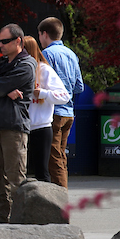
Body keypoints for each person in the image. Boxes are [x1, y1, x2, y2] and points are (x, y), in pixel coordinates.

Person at [0, 24, 36, 223]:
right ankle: (3, 214)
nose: (1, 45)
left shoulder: (26, 64)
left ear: (18, 41)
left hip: (14, 127)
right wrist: (2, 91)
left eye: (5, 41)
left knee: (15, 177)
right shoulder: (3, 65)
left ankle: (20, 217)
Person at [37, 17, 85, 188]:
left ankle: (60, 198)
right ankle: (61, 192)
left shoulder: (47, 54)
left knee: (53, 156)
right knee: (61, 155)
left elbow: (42, 81)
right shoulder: (71, 54)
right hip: (69, 112)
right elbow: (79, 86)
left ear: (44, 34)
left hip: (54, 112)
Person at [22, 35, 70, 184]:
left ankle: (46, 204)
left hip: (41, 127)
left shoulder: (44, 70)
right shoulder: (18, 69)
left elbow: (64, 96)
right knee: (20, 172)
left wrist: (43, 93)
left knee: (41, 171)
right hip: (21, 127)